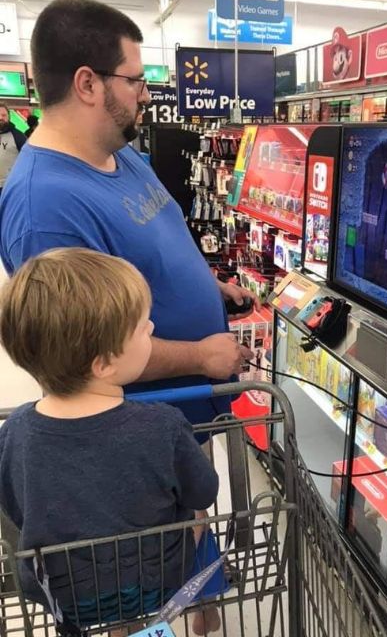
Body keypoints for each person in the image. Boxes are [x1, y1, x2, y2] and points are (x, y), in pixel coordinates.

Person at [0, 0, 257, 431]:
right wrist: (200, 356)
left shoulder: (119, 152)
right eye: (135, 81)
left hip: (188, 418)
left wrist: (209, 288)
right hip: (140, 440)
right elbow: (85, 354)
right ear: (87, 84)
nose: (147, 94)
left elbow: (152, 243)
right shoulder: (43, 209)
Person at [0, 247, 222, 636]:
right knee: (199, 515)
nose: (151, 328)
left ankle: (121, 627)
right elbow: (204, 491)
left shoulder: (14, 432)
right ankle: (196, 609)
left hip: (65, 595)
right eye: (141, 326)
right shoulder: (163, 425)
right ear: (103, 363)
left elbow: (16, 509)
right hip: (156, 582)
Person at [0, 104, 26, 193]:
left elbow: (28, 160)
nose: (1, 118)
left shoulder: (18, 136)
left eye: (4, 115)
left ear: (9, 117)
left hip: (9, 186)